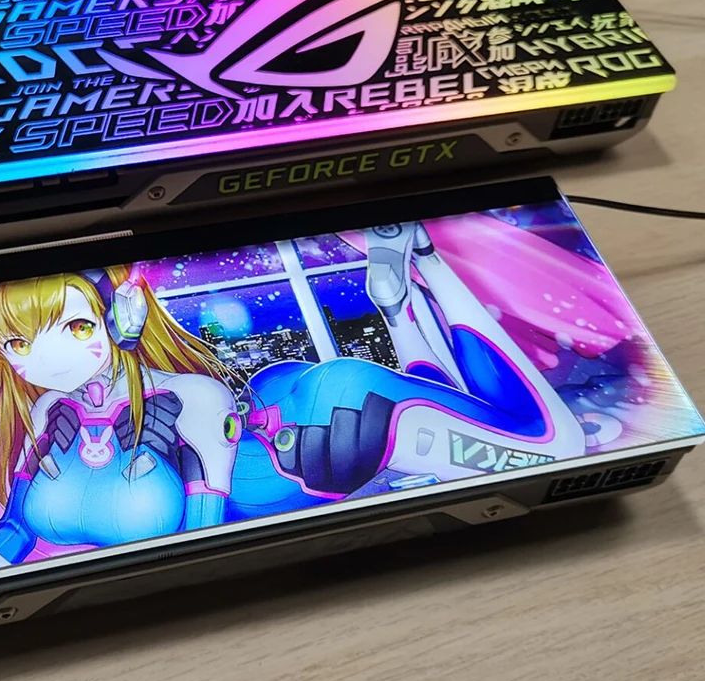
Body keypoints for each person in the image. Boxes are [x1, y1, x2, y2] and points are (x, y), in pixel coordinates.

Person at [230, 221, 589, 519]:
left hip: (277, 463)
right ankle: (416, 279)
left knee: (556, 447)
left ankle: (409, 289)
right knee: (478, 417)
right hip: (273, 399)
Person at [0, 266, 242, 563]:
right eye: (19, 344)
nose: (48, 359)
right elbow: (15, 529)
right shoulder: (48, 409)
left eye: (78, 327)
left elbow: (203, 543)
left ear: (124, 318)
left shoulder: (191, 397)